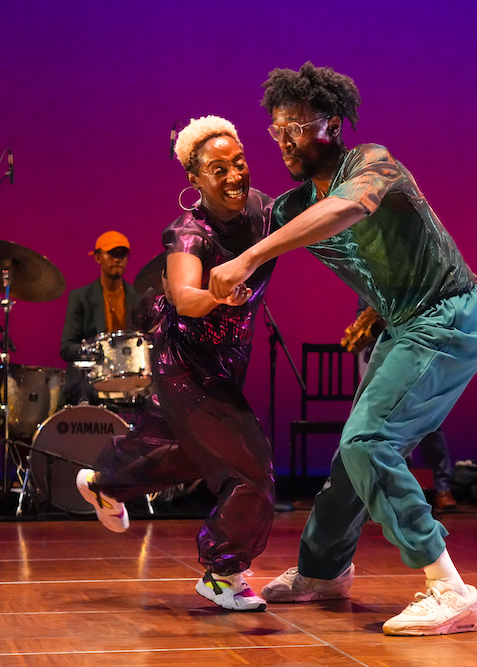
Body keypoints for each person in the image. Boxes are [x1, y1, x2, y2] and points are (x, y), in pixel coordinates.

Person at [209, 63, 477, 636]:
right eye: (276, 129)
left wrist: (251, 257)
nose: (285, 140)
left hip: (451, 316)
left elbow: (348, 209)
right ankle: (323, 571)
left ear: (332, 125)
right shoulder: (293, 206)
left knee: (370, 442)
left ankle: (450, 589)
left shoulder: (372, 163)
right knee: (352, 457)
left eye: (297, 126)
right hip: (404, 322)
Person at [76, 116, 277, 612]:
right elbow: (185, 298)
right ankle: (223, 572)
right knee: (250, 468)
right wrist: (218, 294)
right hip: (186, 363)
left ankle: (105, 482)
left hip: (227, 358)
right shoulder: (187, 234)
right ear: (194, 179)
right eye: (218, 169)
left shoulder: (264, 211)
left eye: (239, 162)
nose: (234, 175)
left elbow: (315, 219)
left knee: (188, 453)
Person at [345, 298, 457, 511]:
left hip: (417, 345)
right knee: (383, 422)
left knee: (428, 417)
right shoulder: (370, 284)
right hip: (383, 350)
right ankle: (395, 491)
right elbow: (364, 316)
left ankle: (443, 487)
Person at [59, 231, 140, 405]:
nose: (118, 259)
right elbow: (67, 348)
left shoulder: (137, 298)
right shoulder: (80, 297)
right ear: (97, 258)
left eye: (122, 254)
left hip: (129, 377)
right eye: (112, 254)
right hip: (91, 378)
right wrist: (97, 351)